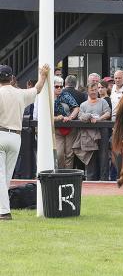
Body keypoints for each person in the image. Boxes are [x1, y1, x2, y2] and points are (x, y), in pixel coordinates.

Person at [0, 63, 48, 220]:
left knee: (1, 176)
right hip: (15, 136)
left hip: (1, 133)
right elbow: (38, 89)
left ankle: (4, 212)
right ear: (12, 78)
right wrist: (43, 75)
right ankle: (3, 208)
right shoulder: (20, 93)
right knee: (6, 176)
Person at [76, 82, 111, 180]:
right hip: (88, 133)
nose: (94, 92)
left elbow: (108, 113)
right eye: (92, 90)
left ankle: (104, 178)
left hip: (102, 131)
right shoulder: (83, 105)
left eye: (96, 90)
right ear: (88, 91)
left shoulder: (103, 101)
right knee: (90, 155)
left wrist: (99, 119)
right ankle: (91, 179)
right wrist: (88, 117)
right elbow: (80, 116)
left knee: (103, 155)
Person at [53, 75, 80, 169]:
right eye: (57, 86)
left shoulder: (66, 95)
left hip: (69, 127)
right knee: (59, 154)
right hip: (56, 129)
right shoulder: (47, 98)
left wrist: (70, 117)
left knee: (69, 154)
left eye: (61, 86)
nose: (59, 88)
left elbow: (76, 107)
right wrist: (58, 118)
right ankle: (60, 173)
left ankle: (68, 175)